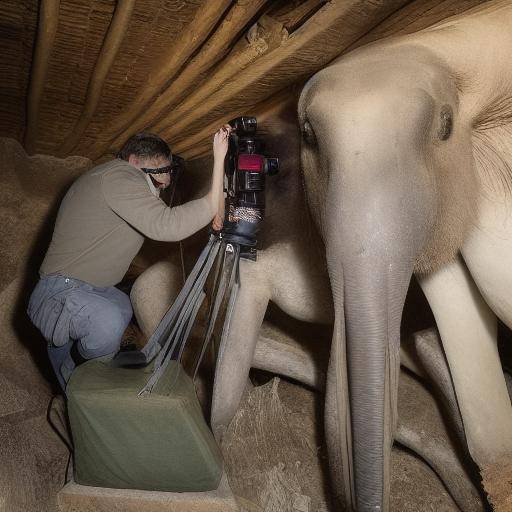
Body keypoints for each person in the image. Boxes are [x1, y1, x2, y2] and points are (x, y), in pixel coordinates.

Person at [27, 127, 230, 390]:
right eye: (162, 171)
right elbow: (167, 226)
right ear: (135, 161)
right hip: (60, 292)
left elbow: (166, 217)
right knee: (108, 321)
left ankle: (77, 379)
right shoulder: (120, 176)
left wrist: (215, 206)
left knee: (121, 306)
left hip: (87, 288)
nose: (166, 181)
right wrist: (218, 166)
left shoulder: (114, 181)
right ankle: (85, 386)